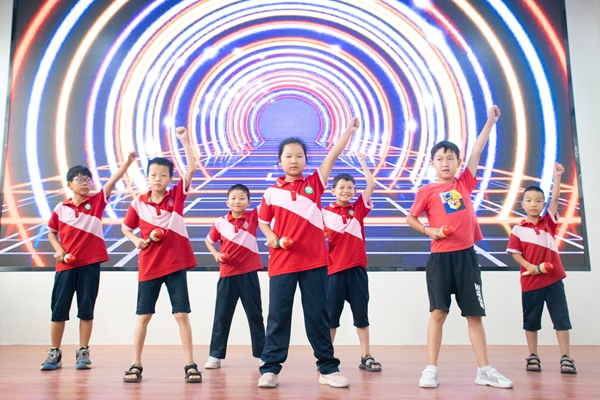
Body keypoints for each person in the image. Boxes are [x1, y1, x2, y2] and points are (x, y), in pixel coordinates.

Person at [406, 106, 513, 389]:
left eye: (450, 158)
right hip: (440, 259)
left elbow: (477, 151)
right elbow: (411, 218)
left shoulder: (463, 182)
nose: (445, 163)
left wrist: (490, 122)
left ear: (457, 162)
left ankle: (484, 370)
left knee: (474, 315)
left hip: (466, 258)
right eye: (440, 159)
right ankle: (431, 369)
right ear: (432, 163)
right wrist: (429, 231)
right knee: (438, 313)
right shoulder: (427, 191)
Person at [257, 118, 360, 389]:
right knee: (278, 316)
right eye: (288, 156)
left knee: (318, 316)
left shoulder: (315, 182)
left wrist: (348, 132)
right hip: (282, 263)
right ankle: (270, 369)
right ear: (280, 161)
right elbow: (263, 222)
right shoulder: (271, 193)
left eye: (299, 156)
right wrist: (272, 237)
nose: (294, 160)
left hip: (314, 262)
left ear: (305, 160)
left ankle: (327, 369)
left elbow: (333, 154)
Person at [42, 151, 138, 371]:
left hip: (90, 266)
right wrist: (59, 250)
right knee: (58, 310)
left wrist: (127, 162)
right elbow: (51, 232)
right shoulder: (61, 208)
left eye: (88, 180)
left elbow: (113, 181)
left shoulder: (96, 202)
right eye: (80, 180)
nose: (85, 183)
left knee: (86, 310)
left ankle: (83, 351)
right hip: (66, 266)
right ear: (69, 184)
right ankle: (54, 352)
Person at [121, 127, 201, 383]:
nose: (158, 179)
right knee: (143, 316)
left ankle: (190, 363)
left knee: (181, 315)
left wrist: (184, 140)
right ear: (147, 177)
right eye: (154, 174)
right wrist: (136, 240)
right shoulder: (138, 202)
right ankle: (135, 363)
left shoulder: (176, 196)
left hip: (175, 264)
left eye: (163, 175)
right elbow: (126, 228)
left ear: (170, 179)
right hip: (149, 266)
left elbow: (191, 169)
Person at [506, 163, 576, 374]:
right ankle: (533, 355)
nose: (533, 204)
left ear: (543, 204)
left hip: (554, 281)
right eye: (529, 201)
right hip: (530, 282)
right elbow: (515, 254)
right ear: (522, 204)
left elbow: (555, 199)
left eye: (538, 201)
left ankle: (566, 357)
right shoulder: (517, 230)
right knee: (531, 322)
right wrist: (532, 267)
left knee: (561, 320)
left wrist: (557, 176)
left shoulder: (548, 224)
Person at [323, 152, 380, 372]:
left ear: (355, 192)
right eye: (341, 187)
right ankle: (327, 357)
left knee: (361, 316)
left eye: (350, 187)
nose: (346, 190)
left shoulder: (358, 210)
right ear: (333, 190)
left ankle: (366, 355)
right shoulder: (324, 213)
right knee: (331, 318)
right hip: (334, 272)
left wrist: (363, 162)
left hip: (357, 270)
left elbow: (371, 185)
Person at [203, 184, 266, 369]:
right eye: (233, 198)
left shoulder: (253, 217)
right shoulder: (220, 222)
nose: (237, 201)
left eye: (241, 198)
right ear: (227, 202)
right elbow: (209, 241)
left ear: (249, 202)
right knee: (222, 316)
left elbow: (268, 201)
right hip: (227, 275)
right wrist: (216, 255)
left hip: (249, 274)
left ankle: (262, 354)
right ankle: (215, 355)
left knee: (255, 315)